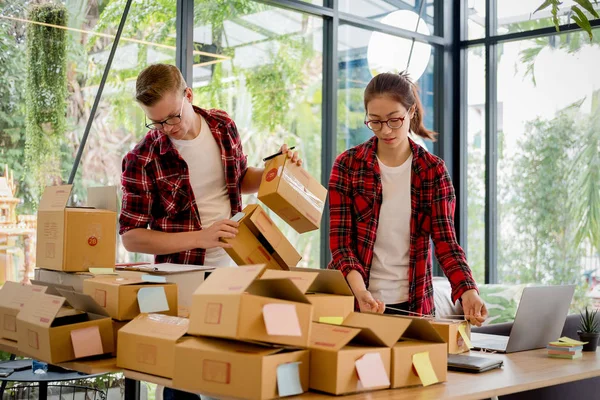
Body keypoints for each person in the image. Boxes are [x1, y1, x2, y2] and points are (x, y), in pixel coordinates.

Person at [119, 64, 300, 400]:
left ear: (189, 95)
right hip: (181, 279)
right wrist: (200, 238)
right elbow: (131, 235)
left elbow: (240, 178)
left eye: (172, 117)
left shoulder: (222, 125)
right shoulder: (141, 158)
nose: (166, 128)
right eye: (156, 122)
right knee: (182, 377)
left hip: (235, 265)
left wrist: (278, 170)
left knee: (229, 375)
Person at [328, 71, 488, 327]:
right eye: (375, 121)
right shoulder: (348, 165)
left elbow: (446, 243)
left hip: (414, 308)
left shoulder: (432, 172)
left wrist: (468, 291)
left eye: (394, 120)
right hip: (354, 301)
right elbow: (341, 245)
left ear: (411, 112)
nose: (386, 130)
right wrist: (360, 293)